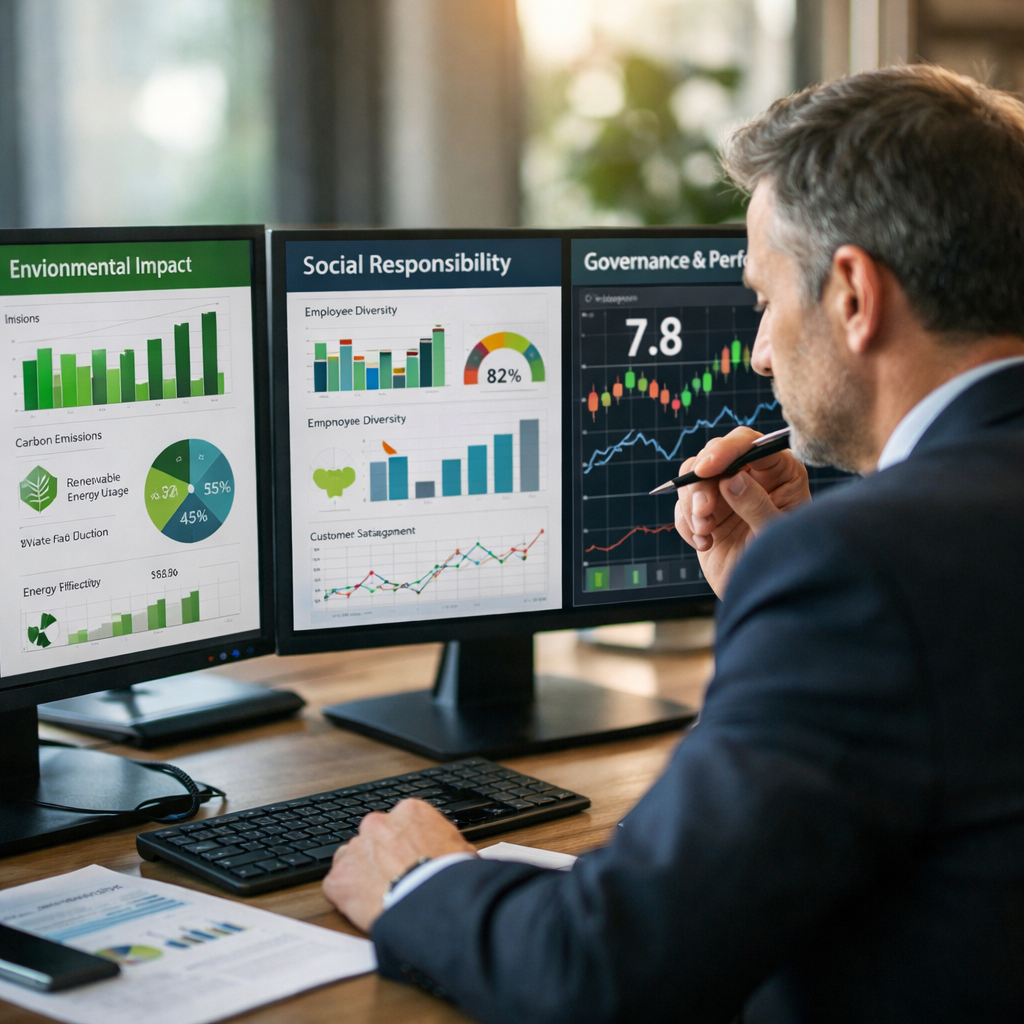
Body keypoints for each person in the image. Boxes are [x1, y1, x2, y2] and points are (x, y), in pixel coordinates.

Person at [323, 64, 1024, 1022]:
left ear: (855, 294)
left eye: (766, 301)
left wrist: (420, 884)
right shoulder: (878, 564)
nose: (759, 352)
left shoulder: (862, 572)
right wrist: (769, 607)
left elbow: (607, 971)